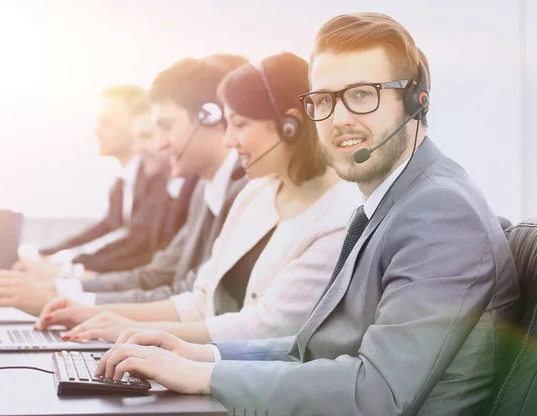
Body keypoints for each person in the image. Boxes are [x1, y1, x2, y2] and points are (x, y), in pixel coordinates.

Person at [91, 13, 519, 415]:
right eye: (324, 100)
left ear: (415, 102)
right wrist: (200, 354)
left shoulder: (439, 212)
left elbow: (378, 392)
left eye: (361, 95)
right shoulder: (392, 202)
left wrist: (207, 376)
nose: (339, 119)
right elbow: (310, 350)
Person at [35, 52, 363, 345]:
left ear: (289, 126)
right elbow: (199, 300)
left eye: (240, 124)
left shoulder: (339, 216)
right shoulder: (256, 194)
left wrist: (138, 333)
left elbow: (268, 328)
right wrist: (102, 315)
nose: (229, 139)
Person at [50, 54, 250, 306]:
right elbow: (157, 275)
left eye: (167, 127)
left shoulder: (245, 193)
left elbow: (193, 297)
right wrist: (65, 290)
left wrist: (72, 298)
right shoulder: (203, 191)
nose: (160, 143)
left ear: (209, 116)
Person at [0, 85, 195, 314]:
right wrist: (50, 258)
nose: (97, 131)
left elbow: (136, 246)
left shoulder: (163, 182)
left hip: (146, 296)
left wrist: (66, 271)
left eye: (108, 121)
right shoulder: (123, 185)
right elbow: (109, 232)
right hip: (135, 289)